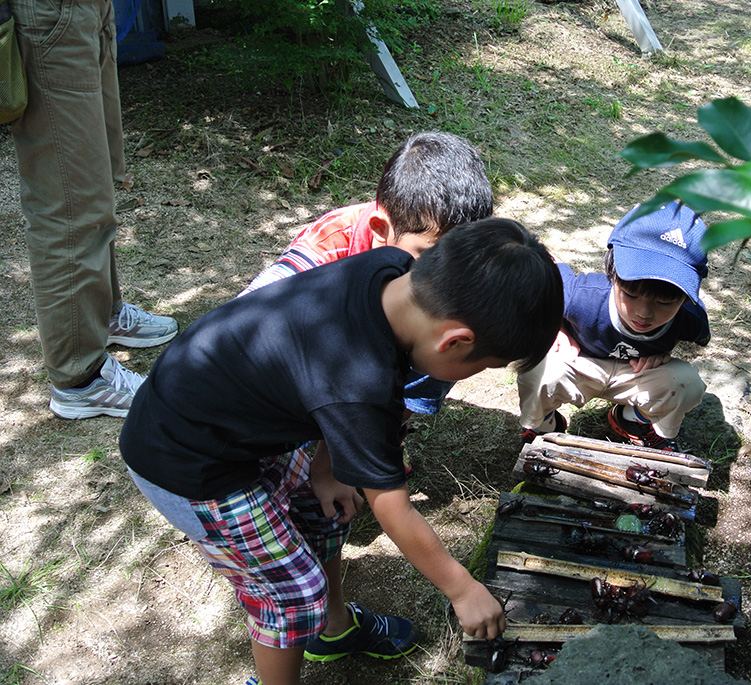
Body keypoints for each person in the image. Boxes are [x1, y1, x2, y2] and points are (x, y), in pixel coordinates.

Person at [119, 218, 564, 685]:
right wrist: (462, 587)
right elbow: (392, 507)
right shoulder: (360, 386)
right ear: (454, 341)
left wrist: (328, 465)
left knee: (328, 506)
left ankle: (332, 630)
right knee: (291, 593)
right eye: (482, 366)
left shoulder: (391, 270)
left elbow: (322, 372)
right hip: (186, 463)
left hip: (230, 421)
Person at [239, 131, 493, 425]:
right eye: (431, 256)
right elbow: (243, 328)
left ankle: (386, 426)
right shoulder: (323, 256)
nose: (448, 272)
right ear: (379, 229)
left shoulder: (438, 248)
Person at [9, 0, 178, 420]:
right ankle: (79, 379)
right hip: (45, 14)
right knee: (69, 203)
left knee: (96, 182)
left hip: (84, 10)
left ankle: (101, 315)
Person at [517, 201, 710, 451]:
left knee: (686, 383)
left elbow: (698, 339)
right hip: (580, 364)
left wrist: (663, 353)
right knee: (537, 370)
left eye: (665, 301)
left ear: (686, 297)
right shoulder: (579, 297)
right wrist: (552, 328)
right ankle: (544, 428)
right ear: (611, 270)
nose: (643, 312)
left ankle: (632, 420)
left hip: (636, 375)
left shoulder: (691, 320)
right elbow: (542, 264)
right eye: (630, 294)